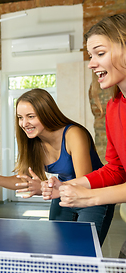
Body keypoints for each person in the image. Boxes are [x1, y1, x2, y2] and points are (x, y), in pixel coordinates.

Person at [0, 88, 114, 245]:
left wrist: (43, 187)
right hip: (62, 195)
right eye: (20, 118)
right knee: (59, 248)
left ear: (46, 113)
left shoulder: (74, 134)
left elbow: (84, 183)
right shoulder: (32, 141)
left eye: (30, 116)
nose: (24, 123)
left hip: (93, 196)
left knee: (84, 252)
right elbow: (24, 181)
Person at [41, 13, 126, 257]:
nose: (91, 64)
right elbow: (117, 170)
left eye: (100, 53)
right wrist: (68, 186)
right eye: (91, 56)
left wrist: (89, 198)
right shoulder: (114, 108)